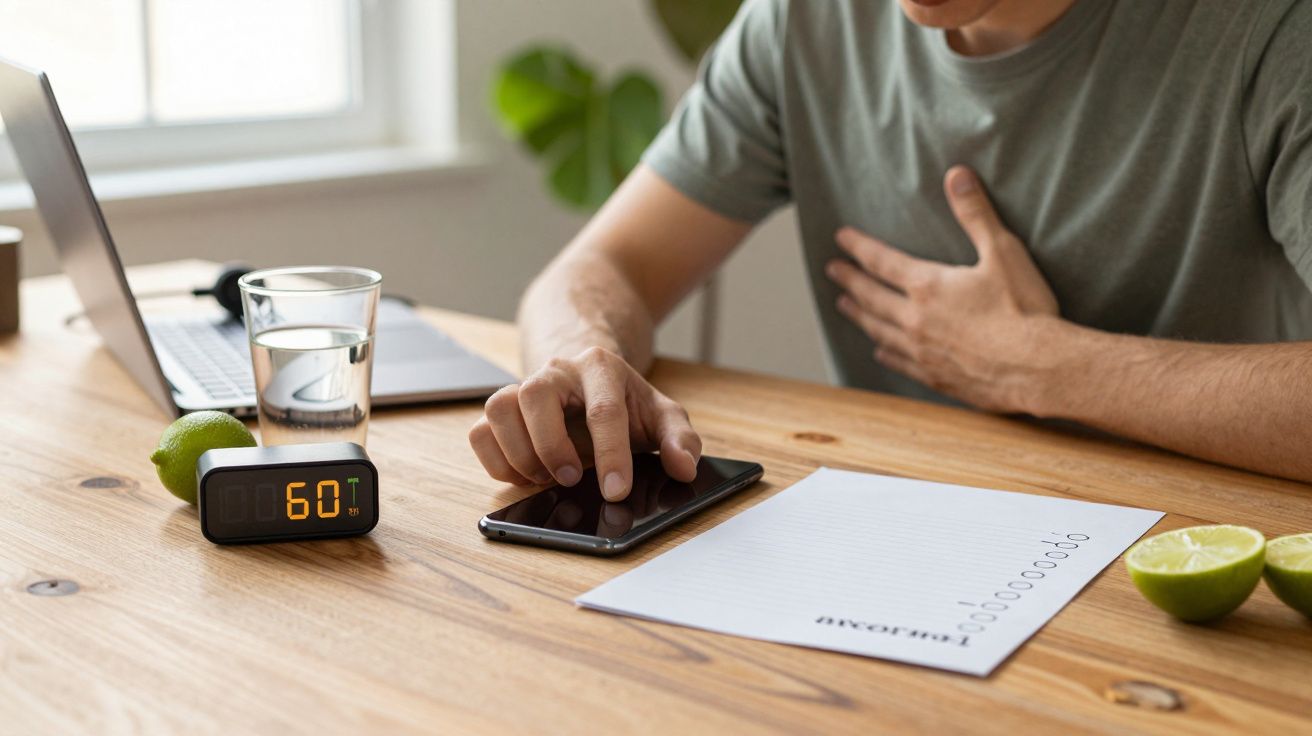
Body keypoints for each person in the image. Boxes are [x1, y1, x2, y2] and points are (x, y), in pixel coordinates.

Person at [469, 0, 1312, 500]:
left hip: (1207, 554)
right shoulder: (803, 22)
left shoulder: (1274, 33)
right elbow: (603, 267)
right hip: (897, 539)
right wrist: (582, 359)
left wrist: (1044, 367)